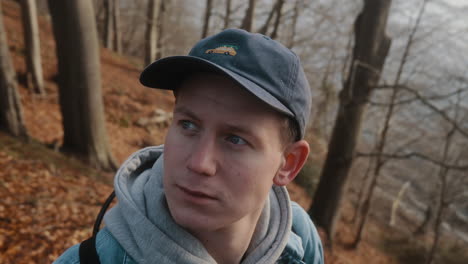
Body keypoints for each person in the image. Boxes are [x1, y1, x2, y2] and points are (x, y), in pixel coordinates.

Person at [55, 29, 324, 264]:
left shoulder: (300, 237)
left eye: (235, 139)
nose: (199, 163)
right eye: (188, 125)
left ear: (288, 163)